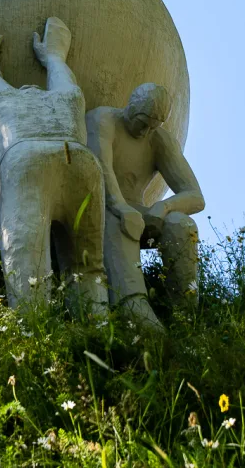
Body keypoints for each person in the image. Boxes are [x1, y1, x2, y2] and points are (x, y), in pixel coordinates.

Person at [0, 13, 106, 312]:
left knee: (26, 261)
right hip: (81, 160)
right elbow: (63, 75)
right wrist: (52, 55)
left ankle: (33, 330)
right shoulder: (67, 100)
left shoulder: (5, 100)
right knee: (88, 265)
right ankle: (97, 324)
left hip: (27, 160)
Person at [86, 82, 203, 325]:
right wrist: (120, 207)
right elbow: (101, 169)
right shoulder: (104, 120)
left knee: (181, 224)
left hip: (137, 209)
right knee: (121, 219)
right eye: (142, 122)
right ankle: (133, 306)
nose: (144, 132)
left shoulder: (157, 139)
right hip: (101, 205)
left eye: (153, 126)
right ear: (130, 107)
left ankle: (184, 313)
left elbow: (195, 195)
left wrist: (163, 207)